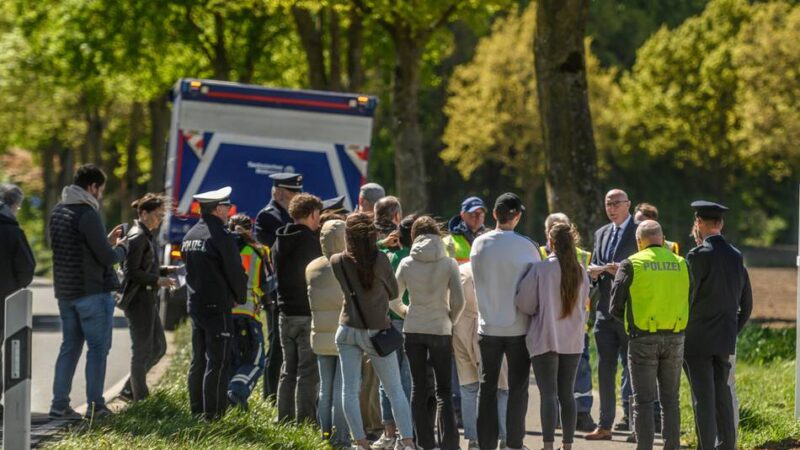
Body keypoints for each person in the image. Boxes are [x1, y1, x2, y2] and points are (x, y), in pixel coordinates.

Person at [330, 213, 415, 450]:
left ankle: (360, 442)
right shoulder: (381, 260)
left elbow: (355, 255)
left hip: (347, 329)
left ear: (348, 236)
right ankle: (407, 441)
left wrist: (377, 243)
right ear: (372, 235)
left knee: (349, 390)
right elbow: (393, 293)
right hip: (377, 331)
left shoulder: (337, 261)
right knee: (394, 390)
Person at [49, 164, 126, 420]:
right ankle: (96, 407)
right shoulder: (87, 213)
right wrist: (122, 248)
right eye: (100, 190)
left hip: (65, 292)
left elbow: (77, 248)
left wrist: (106, 241)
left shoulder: (58, 212)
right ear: (92, 187)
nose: (100, 195)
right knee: (97, 349)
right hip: (91, 293)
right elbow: (106, 258)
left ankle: (59, 405)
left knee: (69, 347)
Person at [609, 220, 690, 450]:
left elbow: (615, 306)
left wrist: (633, 322)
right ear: (663, 240)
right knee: (670, 400)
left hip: (642, 338)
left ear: (639, 241)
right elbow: (689, 298)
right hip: (675, 337)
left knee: (643, 402)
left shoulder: (631, 264)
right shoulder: (682, 263)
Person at [470, 192, 541, 450]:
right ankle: (513, 443)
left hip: (487, 325)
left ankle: (485, 444)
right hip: (518, 327)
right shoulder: (528, 247)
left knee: (487, 387)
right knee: (518, 389)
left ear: (494, 215)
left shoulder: (478, 244)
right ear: (517, 216)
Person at [390, 216, 465, 450]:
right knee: (444, 390)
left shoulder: (407, 263)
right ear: (437, 233)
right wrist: (450, 320)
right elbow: (459, 301)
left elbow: (393, 299)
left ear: (414, 236)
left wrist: (406, 312)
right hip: (440, 328)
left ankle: (424, 443)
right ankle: (449, 444)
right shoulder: (449, 263)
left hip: (414, 328)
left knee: (418, 389)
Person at [684, 201, 752, 450]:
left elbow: (688, 298)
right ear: (721, 224)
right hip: (725, 338)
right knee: (722, 396)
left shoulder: (697, 255)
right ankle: (727, 445)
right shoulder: (736, 256)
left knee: (703, 398)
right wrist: (732, 329)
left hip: (697, 340)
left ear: (699, 223)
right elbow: (747, 304)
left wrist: (683, 329)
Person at [516, 222, 590, 450]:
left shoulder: (541, 269)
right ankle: (567, 445)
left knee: (548, 394)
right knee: (567, 394)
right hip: (573, 340)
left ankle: (548, 445)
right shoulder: (580, 270)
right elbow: (585, 303)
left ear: (550, 242)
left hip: (545, 338)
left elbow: (524, 304)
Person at [182, 186, 247, 421]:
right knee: (218, 361)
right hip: (217, 307)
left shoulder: (190, 236)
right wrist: (240, 297)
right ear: (218, 209)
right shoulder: (220, 236)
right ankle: (213, 415)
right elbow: (234, 271)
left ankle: (196, 410)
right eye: (227, 207)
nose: (229, 211)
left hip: (196, 305)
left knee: (198, 359)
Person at [586, 189, 638, 440]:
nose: (612, 208)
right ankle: (604, 425)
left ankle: (636, 425)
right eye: (608, 204)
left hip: (630, 311)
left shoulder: (640, 231)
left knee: (634, 369)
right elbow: (595, 264)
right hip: (604, 312)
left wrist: (623, 270)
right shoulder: (601, 233)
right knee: (605, 369)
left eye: (617, 203)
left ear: (628, 204)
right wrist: (594, 273)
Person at [538, 213, 596, 432]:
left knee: (578, 375)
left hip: (570, 327)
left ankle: (581, 415)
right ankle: (561, 426)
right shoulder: (538, 254)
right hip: (565, 327)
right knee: (558, 383)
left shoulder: (583, 256)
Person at [119, 194, 175, 402]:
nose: (160, 220)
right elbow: (131, 272)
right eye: (157, 215)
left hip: (147, 298)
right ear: (143, 214)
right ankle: (139, 398)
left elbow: (145, 267)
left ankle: (129, 389)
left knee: (159, 347)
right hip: (138, 300)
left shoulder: (146, 235)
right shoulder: (137, 237)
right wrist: (157, 280)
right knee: (142, 350)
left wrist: (164, 270)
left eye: (161, 216)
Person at [274, 193, 324, 423]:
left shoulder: (279, 240)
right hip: (305, 312)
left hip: (284, 312)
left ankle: (283, 418)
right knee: (307, 371)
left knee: (288, 369)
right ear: (312, 214)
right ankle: (304, 420)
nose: (319, 220)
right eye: (318, 215)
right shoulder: (311, 243)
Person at [255, 172, 303, 400]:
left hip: (292, 286)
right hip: (276, 288)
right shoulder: (268, 217)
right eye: (294, 192)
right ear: (280, 193)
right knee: (276, 343)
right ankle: (270, 394)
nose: (298, 196)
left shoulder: (289, 215)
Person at [453, 261, 510, 450]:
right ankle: (505, 437)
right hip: (487, 329)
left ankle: (474, 440)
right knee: (501, 386)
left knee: (468, 386)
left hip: (460, 328)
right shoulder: (494, 268)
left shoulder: (461, 271)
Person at [372, 215, 416, 450]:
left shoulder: (387, 255)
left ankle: (389, 432)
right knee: (407, 380)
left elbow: (367, 252)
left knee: (386, 381)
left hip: (386, 322)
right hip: (409, 321)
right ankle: (405, 434)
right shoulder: (413, 258)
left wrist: (382, 243)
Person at [307, 219, 350, 448]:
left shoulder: (312, 267)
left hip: (320, 334)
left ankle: (324, 436)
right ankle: (340, 437)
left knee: (325, 389)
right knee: (342, 389)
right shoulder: (348, 264)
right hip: (344, 334)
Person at [0, 183, 36, 415]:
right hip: (3, 301)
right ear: (13, 206)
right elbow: (27, 268)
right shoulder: (13, 232)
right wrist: (13, 288)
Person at [226, 214, 267, 410]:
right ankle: (236, 392)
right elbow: (268, 285)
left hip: (225, 314)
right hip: (248, 315)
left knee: (232, 361)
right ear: (251, 229)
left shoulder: (222, 249)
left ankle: (229, 402)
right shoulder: (258, 251)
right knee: (255, 361)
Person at [444, 196, 488, 264]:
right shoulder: (448, 242)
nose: (478, 217)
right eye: (473, 214)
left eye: (481, 213)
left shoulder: (489, 239)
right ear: (462, 215)